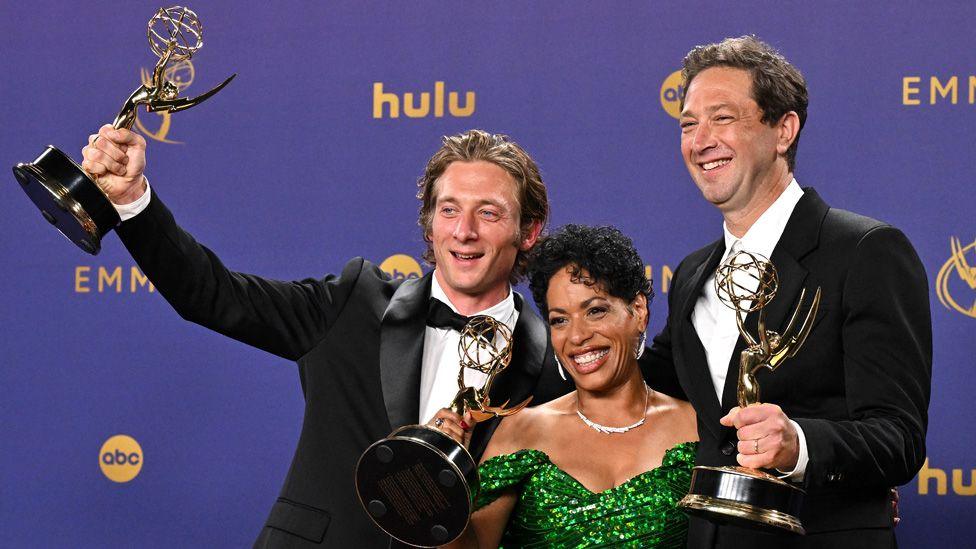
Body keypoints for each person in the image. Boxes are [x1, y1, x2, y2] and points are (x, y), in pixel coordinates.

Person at [80, 127, 575, 547]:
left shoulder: (557, 369)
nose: (463, 231)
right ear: (430, 222)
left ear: (528, 231)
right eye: (449, 210)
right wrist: (131, 201)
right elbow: (211, 295)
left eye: (488, 213)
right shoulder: (355, 304)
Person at [642, 36, 932, 548]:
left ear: (783, 129)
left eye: (723, 118)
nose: (700, 139)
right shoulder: (690, 275)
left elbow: (898, 439)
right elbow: (640, 391)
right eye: (688, 124)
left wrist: (798, 443)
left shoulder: (865, 251)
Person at [431, 224, 699, 548]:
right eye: (560, 320)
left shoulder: (695, 430)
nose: (576, 336)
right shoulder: (520, 431)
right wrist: (438, 479)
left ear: (638, 311)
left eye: (595, 311)